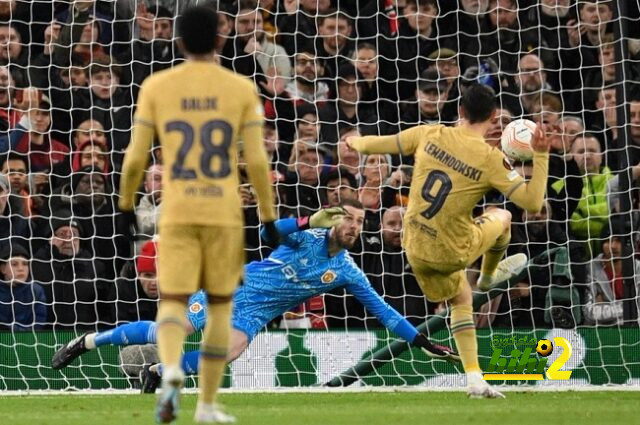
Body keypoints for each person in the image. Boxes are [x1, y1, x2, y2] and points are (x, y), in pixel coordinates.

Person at [51, 202, 459, 388]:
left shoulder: (348, 271)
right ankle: (86, 341)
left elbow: (384, 312)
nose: (353, 225)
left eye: (359, 221)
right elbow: (264, 234)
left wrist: (421, 340)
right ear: (333, 219)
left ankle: (158, 373)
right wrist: (305, 219)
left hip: (254, 314)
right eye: (347, 218)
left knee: (226, 353)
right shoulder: (306, 237)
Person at [117, 6, 277, 424]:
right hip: (223, 212)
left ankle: (170, 371)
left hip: (178, 210)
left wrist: (124, 204)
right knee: (221, 308)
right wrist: (267, 214)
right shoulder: (241, 87)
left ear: (180, 41)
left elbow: (135, 157)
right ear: (221, 40)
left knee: (172, 301)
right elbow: (257, 162)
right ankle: (206, 405)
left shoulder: (158, 85)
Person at [346, 84, 551, 398]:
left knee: (460, 300)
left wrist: (354, 141)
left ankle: (474, 378)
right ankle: (488, 277)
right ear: (495, 117)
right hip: (452, 251)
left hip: (412, 247)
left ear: (460, 111)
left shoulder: (430, 134)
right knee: (503, 217)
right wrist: (541, 155)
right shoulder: (490, 158)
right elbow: (534, 202)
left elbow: (381, 143)